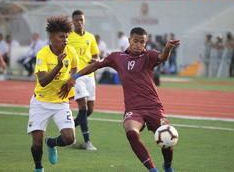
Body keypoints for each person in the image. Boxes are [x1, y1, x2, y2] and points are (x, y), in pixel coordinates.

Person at [62, 27, 180, 172]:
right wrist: (75, 77)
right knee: (131, 132)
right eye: (135, 41)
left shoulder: (148, 56)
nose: (138, 44)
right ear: (129, 40)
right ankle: (152, 169)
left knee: (167, 138)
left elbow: (162, 57)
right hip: (134, 109)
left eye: (142, 42)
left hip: (154, 107)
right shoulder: (117, 57)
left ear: (145, 43)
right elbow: (95, 65)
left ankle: (167, 165)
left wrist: (167, 48)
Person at [27, 16, 78, 172]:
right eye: (61, 36)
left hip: (60, 102)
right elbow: (42, 81)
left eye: (67, 36)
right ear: (51, 37)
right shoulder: (43, 54)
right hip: (40, 102)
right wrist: (58, 66)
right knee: (36, 143)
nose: (65, 40)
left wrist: (72, 79)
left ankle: (52, 143)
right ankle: (38, 168)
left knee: (70, 138)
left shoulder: (71, 51)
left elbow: (75, 68)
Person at [67, 10, 100, 150]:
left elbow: (96, 55)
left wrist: (96, 60)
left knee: (90, 110)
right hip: (77, 76)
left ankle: (69, 127)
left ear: (84, 20)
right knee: (83, 106)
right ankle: (87, 142)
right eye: (76, 20)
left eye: (81, 19)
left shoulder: (91, 37)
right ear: (72, 22)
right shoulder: (68, 38)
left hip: (90, 76)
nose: (79, 22)